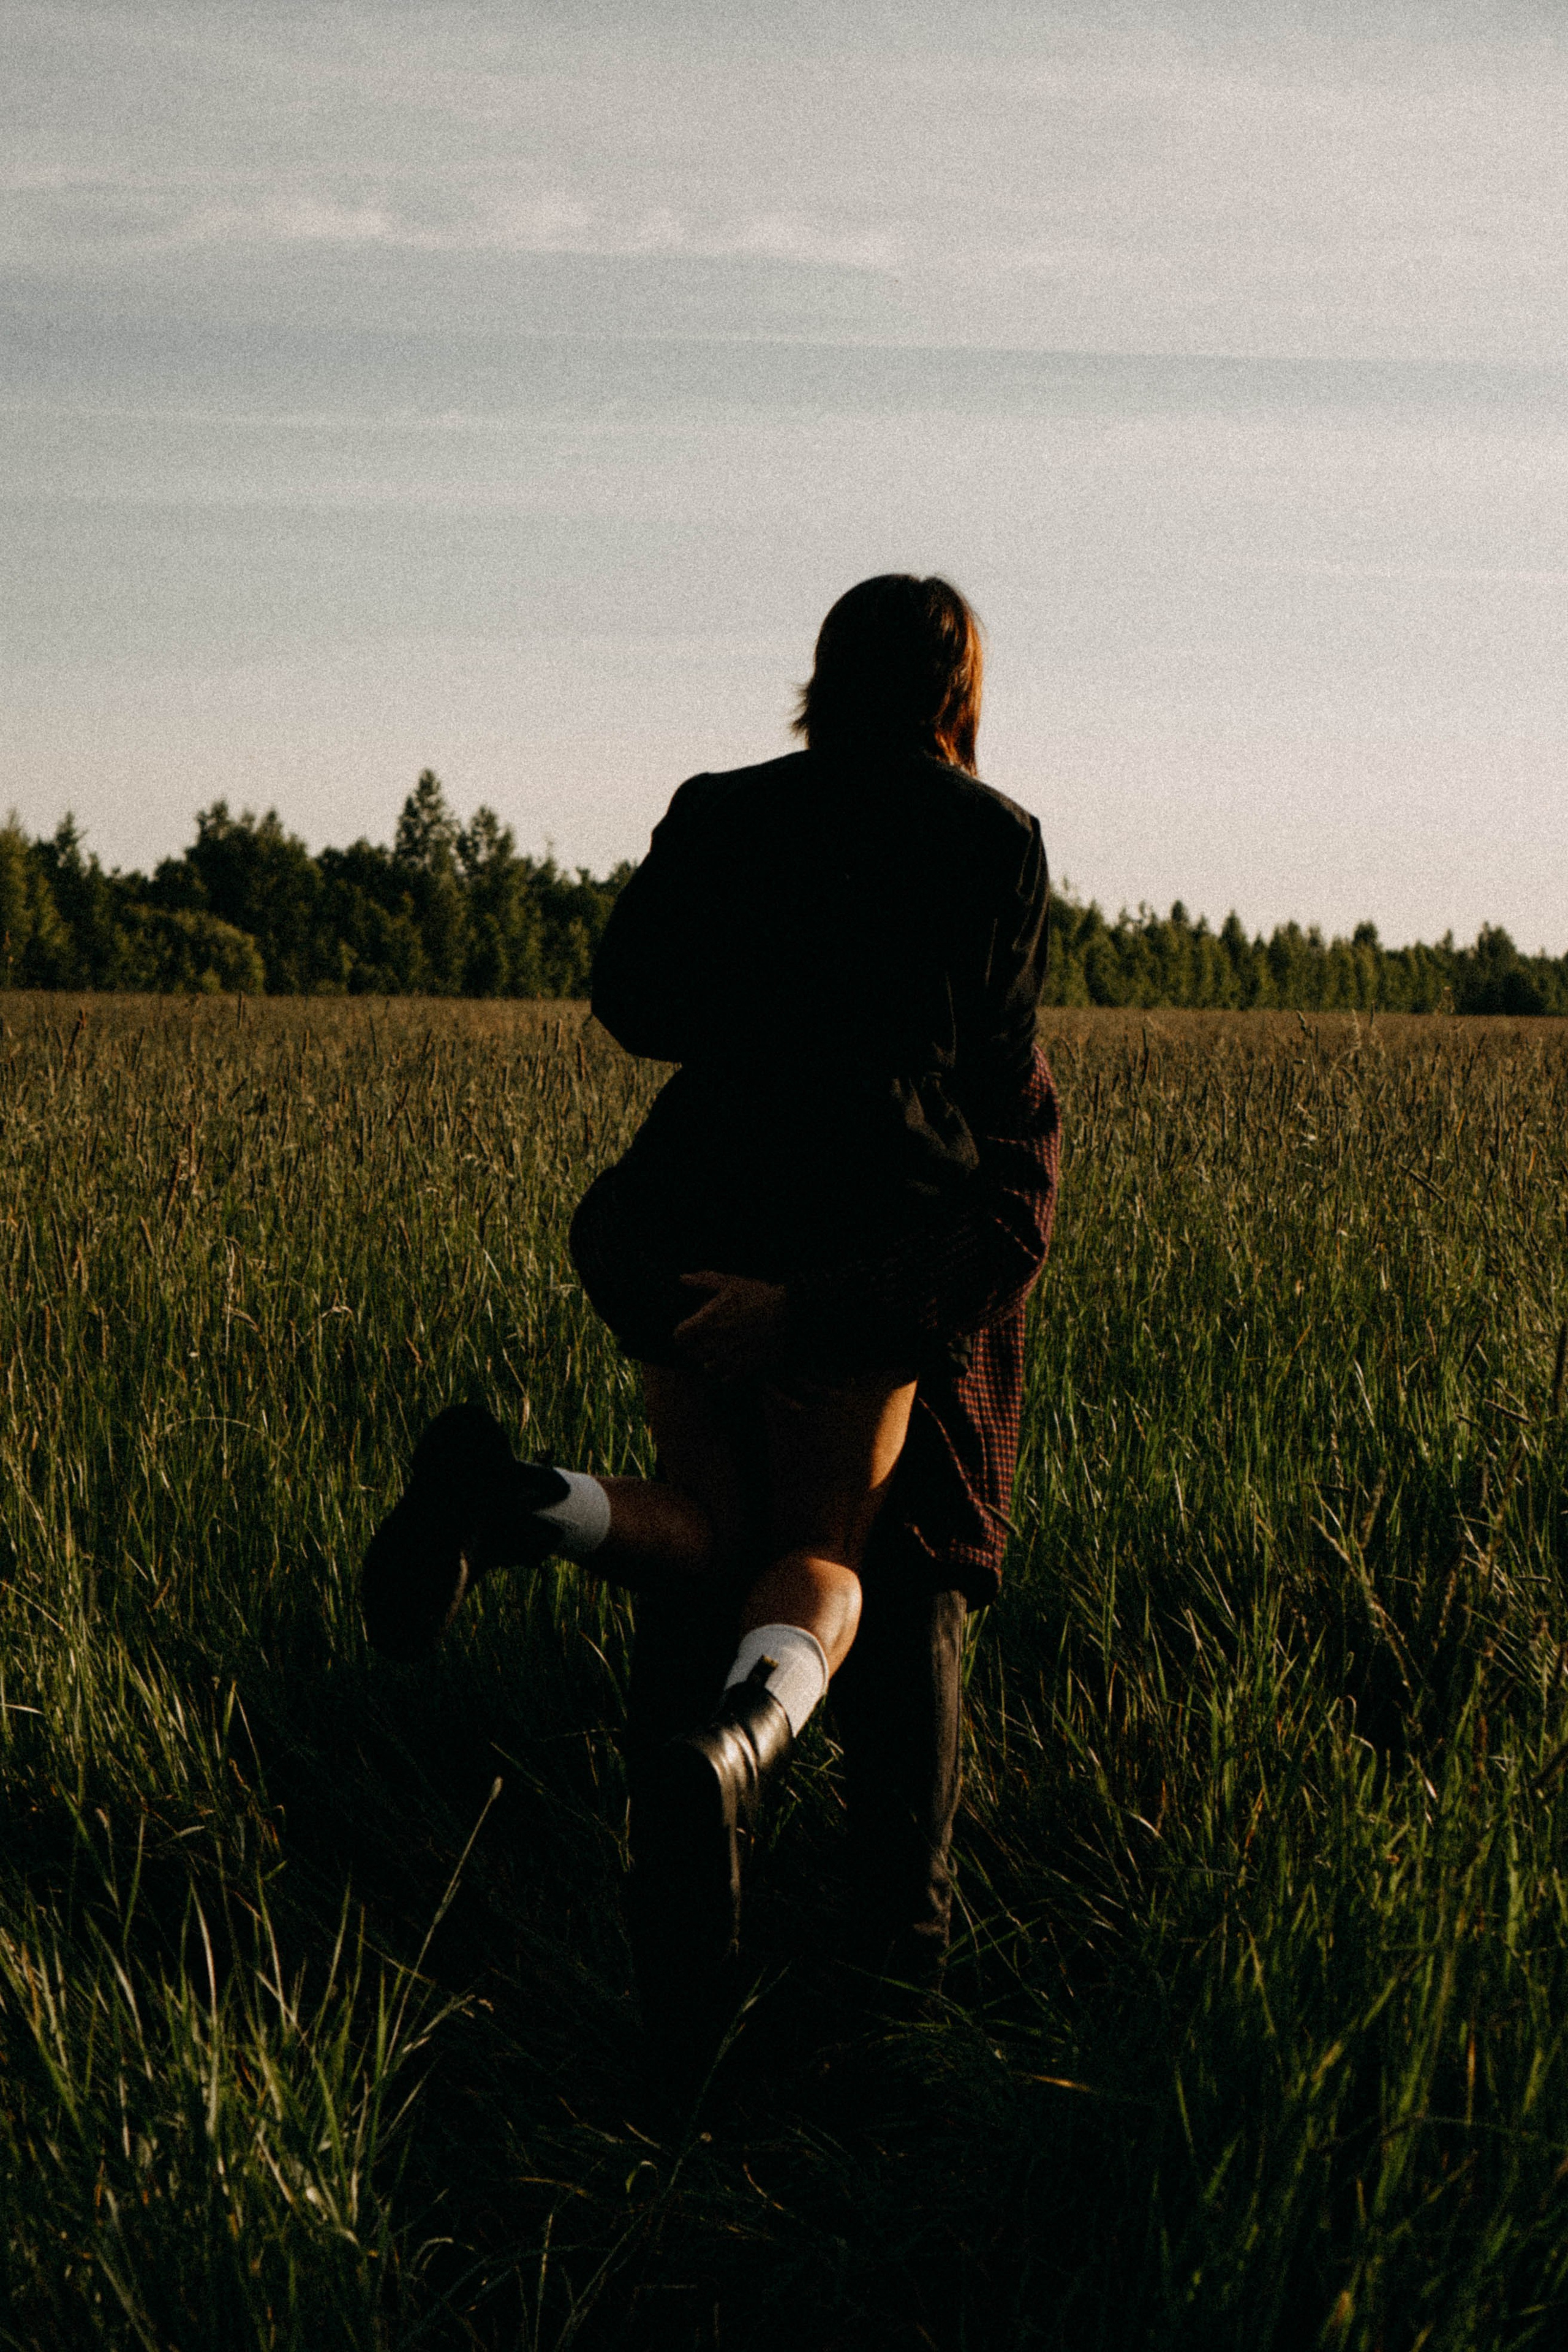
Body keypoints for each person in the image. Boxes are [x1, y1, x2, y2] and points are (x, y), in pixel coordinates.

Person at [361, 574, 1053, 2011]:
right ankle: (729, 1757)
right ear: (953, 691)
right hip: (857, 1232)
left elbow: (631, 1006)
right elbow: (992, 1067)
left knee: (706, 1519)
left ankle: (520, 1499)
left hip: (687, 1204)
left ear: (822, 672)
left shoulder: (718, 807)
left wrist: (759, 1010)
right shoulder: (992, 840)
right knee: (821, 1550)